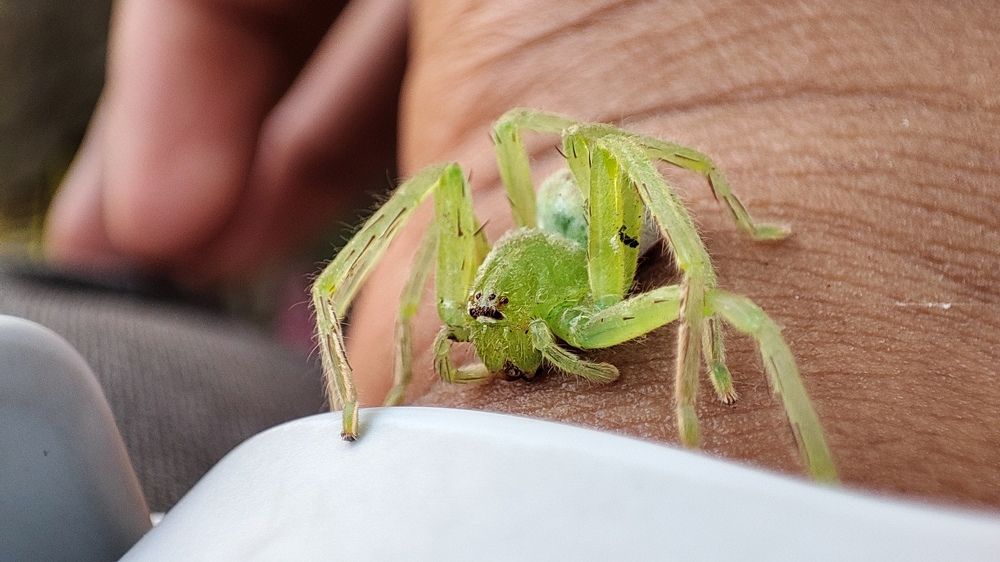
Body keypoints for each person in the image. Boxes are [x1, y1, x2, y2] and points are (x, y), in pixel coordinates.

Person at [44, 0, 1000, 509]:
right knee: (445, 186)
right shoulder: (478, 297)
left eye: (482, 318)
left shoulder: (597, 301)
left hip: (608, 254)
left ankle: (824, 511)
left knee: (738, 307)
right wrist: (353, 401)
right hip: (547, 244)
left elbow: (599, 141)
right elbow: (424, 208)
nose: (478, 332)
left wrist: (707, 291)